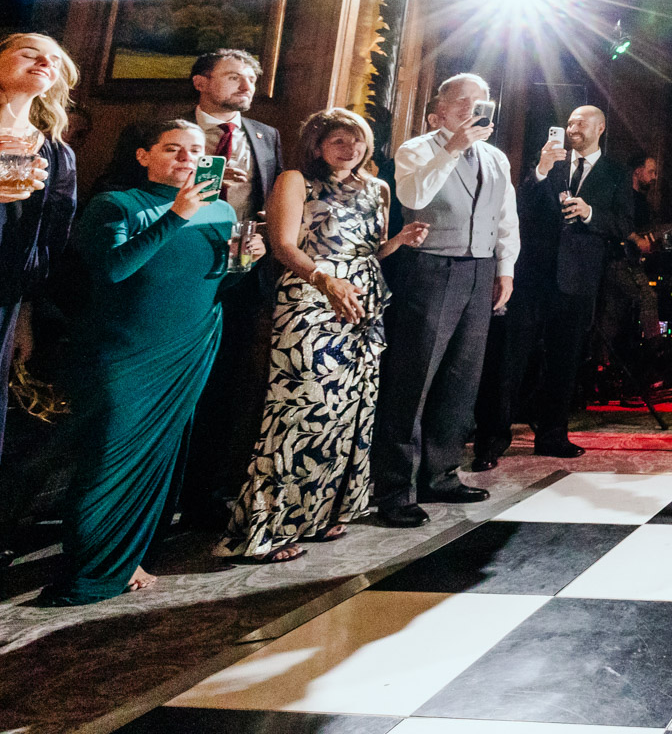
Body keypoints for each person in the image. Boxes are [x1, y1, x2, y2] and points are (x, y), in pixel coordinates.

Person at [39, 120, 259, 604]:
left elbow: (211, 283)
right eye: (173, 150)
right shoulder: (114, 204)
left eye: (195, 152)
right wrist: (176, 215)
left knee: (161, 459)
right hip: (124, 349)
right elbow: (114, 271)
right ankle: (90, 569)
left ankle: (131, 556)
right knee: (107, 461)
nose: (186, 160)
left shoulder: (220, 209)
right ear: (144, 155)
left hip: (191, 345)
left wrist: (244, 262)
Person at [220, 109, 428, 562]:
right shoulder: (296, 180)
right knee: (300, 409)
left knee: (348, 412)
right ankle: (267, 530)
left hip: (364, 302)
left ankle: (320, 514)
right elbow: (283, 245)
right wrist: (325, 282)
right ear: (317, 145)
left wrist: (399, 241)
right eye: (339, 141)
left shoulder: (378, 187)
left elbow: (370, 250)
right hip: (310, 299)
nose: (350, 149)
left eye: (358, 142)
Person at [371, 73, 518, 527]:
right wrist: (452, 147)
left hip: (478, 271)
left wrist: (505, 268)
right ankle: (396, 488)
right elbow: (413, 195)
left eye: (482, 102)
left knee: (461, 378)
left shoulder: (495, 157)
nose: (473, 110)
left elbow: (505, 216)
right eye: (462, 103)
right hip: (431, 269)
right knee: (413, 377)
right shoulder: (418, 148)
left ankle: (442, 473)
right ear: (438, 112)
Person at [474, 104, 629, 469]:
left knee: (564, 360)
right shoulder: (550, 162)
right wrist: (541, 169)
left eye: (581, 122)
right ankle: (491, 440)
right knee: (510, 358)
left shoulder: (616, 173)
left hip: (578, 279)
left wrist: (590, 213)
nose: (573, 127)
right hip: (533, 275)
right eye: (570, 122)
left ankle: (552, 435)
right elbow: (519, 206)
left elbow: (623, 224)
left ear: (601, 127)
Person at [177, 48, 285, 529]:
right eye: (233, 77)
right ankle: (159, 494)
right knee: (179, 388)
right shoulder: (168, 130)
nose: (246, 86)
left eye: (251, 79)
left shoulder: (265, 136)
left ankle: (206, 495)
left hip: (241, 277)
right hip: (178, 273)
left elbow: (269, 202)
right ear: (201, 81)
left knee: (226, 389)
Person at [0, 33, 78, 468]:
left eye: (53, 60)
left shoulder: (56, 153)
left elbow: (49, 240)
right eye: (29, 52)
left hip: (4, 298)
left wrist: (25, 316)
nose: (42, 61)